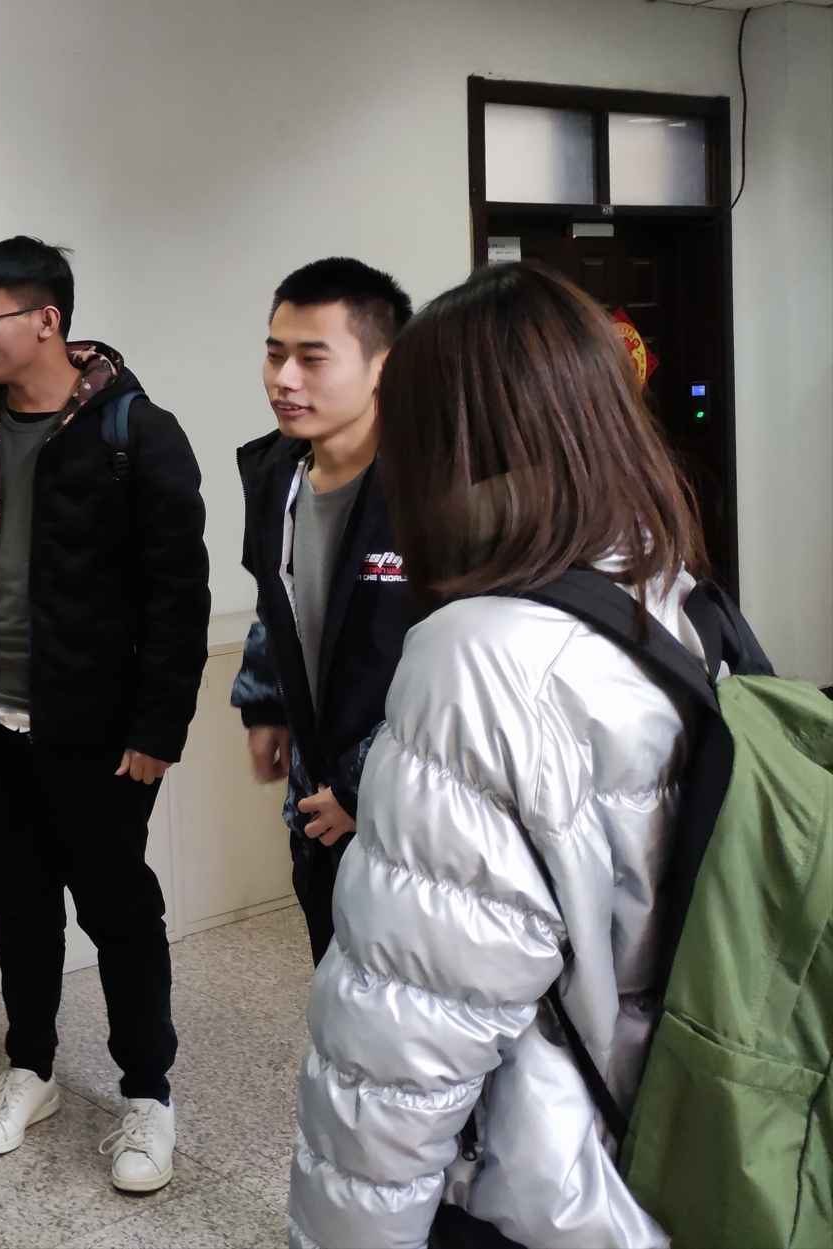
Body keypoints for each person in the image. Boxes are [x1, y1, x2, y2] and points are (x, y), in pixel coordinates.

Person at [290, 263, 717, 1248]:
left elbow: (404, 1042)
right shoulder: (671, 592)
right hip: (657, 1145)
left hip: (538, 1190)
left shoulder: (477, 655)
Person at [0, 237, 210, 1193]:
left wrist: (157, 729)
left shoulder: (138, 431)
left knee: (119, 911)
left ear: (47, 320)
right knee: (19, 901)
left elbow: (179, 595)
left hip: (96, 731)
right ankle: (31, 1067)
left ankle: (148, 1093)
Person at [230, 258, 413, 966]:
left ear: (381, 366)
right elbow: (275, 603)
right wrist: (265, 705)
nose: (284, 378)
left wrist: (367, 791)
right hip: (316, 794)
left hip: (409, 802)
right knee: (334, 973)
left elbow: (459, 676)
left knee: (402, 992)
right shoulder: (274, 475)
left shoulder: (430, 491)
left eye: (312, 358)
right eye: (275, 354)